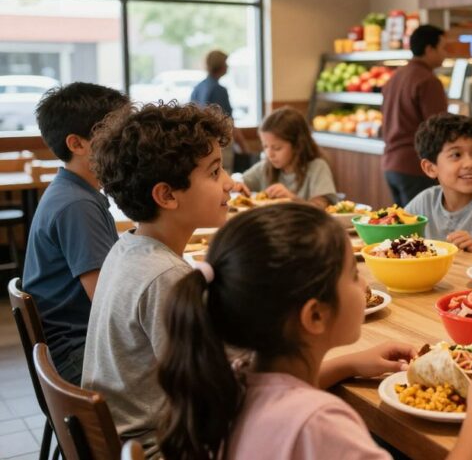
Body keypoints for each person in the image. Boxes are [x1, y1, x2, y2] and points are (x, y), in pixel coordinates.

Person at [157, 203, 472, 460]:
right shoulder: (320, 426)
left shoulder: (230, 380)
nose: (364, 281)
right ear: (315, 317)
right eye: (353, 274)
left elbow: (278, 398)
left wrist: (346, 365)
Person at [83, 102, 235, 456]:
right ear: (166, 195)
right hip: (159, 447)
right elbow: (222, 389)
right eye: (214, 173)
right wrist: (344, 364)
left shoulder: (128, 248)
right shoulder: (165, 277)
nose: (229, 183)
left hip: (126, 439)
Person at [23, 83, 130, 384]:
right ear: (77, 144)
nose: (126, 142)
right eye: (116, 134)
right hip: (77, 353)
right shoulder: (77, 204)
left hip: (70, 345)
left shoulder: (71, 191)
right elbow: (107, 300)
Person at [405, 114, 472, 254]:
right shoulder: (424, 202)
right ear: (430, 168)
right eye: (456, 155)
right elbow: (393, 239)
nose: (469, 163)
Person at [381, 25, 449, 205]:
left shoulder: (395, 77)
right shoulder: (428, 81)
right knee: (419, 229)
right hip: (415, 166)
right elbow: (439, 128)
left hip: (390, 163)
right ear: (429, 49)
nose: (445, 54)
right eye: (443, 48)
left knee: (402, 228)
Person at [237, 107, 336, 209]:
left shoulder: (317, 167)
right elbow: (240, 181)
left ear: (298, 145)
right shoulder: (265, 168)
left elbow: (322, 207)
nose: (269, 154)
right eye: (265, 146)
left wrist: (292, 199)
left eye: (277, 148)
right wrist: (236, 185)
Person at [190, 50, 249, 172]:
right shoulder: (219, 90)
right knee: (223, 174)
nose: (227, 66)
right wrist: (244, 147)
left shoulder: (198, 88)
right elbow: (228, 122)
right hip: (219, 143)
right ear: (220, 65)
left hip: (200, 144)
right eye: (226, 63)